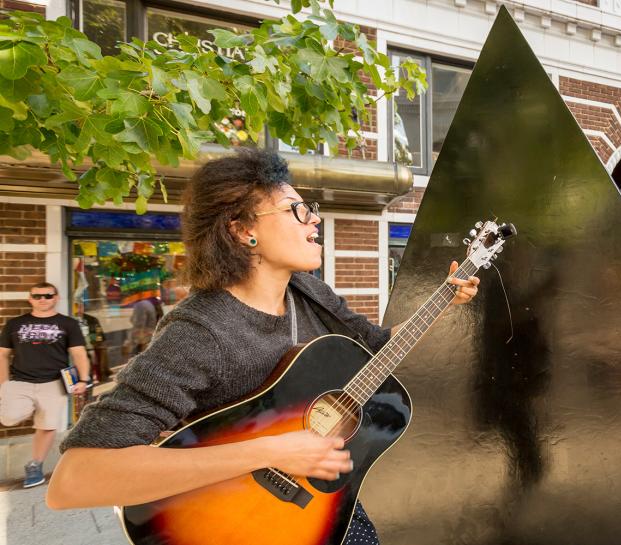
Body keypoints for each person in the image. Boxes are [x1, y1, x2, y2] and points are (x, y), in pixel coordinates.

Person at [44, 149, 481, 544]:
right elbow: (75, 479)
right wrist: (273, 450)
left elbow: (379, 348)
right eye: (297, 210)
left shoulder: (309, 292)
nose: (313, 219)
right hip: (236, 523)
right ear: (241, 230)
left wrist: (442, 299)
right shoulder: (200, 330)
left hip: (318, 510)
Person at [0, 282, 90, 488]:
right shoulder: (14, 324)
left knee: (47, 426)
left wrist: (83, 380)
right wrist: (3, 385)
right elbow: (3, 355)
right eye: (38, 296)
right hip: (20, 381)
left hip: (53, 383)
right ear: (30, 299)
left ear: (56, 298)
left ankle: (35, 466)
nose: (43, 299)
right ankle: (26, 407)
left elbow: (78, 353)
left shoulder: (68, 324)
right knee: (9, 418)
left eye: (48, 296)